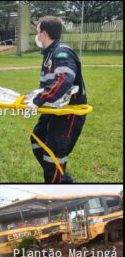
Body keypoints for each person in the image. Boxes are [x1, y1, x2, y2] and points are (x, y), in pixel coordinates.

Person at [29, 16, 87, 183]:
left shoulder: (61, 53)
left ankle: (55, 182)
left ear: (45, 33)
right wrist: (33, 96)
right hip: (53, 107)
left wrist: (40, 99)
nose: (37, 36)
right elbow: (47, 84)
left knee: (53, 155)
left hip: (68, 112)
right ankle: (62, 178)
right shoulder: (50, 54)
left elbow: (64, 81)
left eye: (37, 32)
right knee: (37, 139)